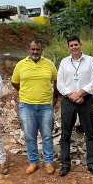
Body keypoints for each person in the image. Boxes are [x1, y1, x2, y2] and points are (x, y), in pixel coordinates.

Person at [11, 39, 58, 175]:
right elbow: (15, 83)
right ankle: (33, 162)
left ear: (41, 50)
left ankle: (49, 162)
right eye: (33, 49)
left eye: (37, 49)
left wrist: (53, 100)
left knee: (47, 135)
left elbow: (56, 82)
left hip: (45, 106)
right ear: (29, 50)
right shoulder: (20, 65)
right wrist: (26, 92)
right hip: (26, 106)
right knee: (30, 136)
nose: (35, 52)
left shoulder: (49, 64)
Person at [56, 35, 93, 177]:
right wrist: (72, 95)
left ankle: (91, 164)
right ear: (68, 47)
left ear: (81, 44)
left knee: (90, 133)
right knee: (66, 133)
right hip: (68, 101)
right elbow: (60, 83)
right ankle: (65, 164)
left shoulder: (90, 60)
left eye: (76, 44)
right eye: (71, 45)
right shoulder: (64, 62)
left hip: (85, 100)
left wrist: (81, 94)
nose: (74, 47)